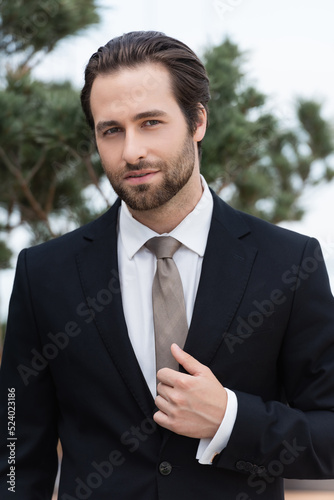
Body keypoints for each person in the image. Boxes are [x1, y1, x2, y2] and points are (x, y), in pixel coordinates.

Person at [0, 30, 334, 500]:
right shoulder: (44, 274)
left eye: (150, 122)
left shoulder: (289, 263)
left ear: (197, 121)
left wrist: (229, 420)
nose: (131, 151)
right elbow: (15, 450)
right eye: (111, 130)